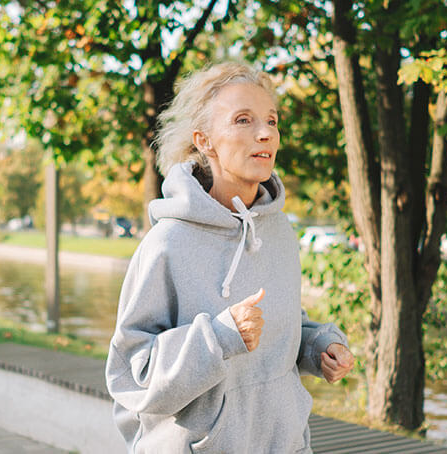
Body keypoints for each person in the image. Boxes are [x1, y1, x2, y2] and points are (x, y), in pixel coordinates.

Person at [105, 61, 355, 453]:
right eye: (243, 120)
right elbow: (130, 375)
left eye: (272, 121)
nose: (265, 133)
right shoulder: (167, 244)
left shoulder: (279, 232)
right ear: (204, 140)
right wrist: (219, 338)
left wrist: (317, 346)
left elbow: (283, 322)